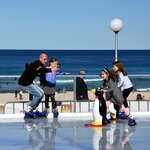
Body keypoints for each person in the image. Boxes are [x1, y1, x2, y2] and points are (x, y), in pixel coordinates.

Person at [18, 53, 51, 117]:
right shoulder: (38, 65)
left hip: (29, 82)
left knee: (41, 93)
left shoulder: (38, 64)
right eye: (44, 59)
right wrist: (51, 69)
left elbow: (40, 70)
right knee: (38, 95)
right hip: (24, 83)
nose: (46, 61)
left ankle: (34, 109)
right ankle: (28, 110)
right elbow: (41, 70)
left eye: (46, 59)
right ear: (40, 58)